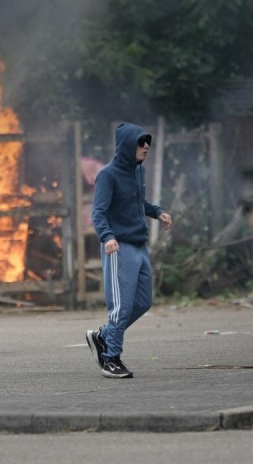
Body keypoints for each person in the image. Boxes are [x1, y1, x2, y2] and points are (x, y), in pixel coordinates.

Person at [86, 122, 172, 379]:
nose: (146, 146)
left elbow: (138, 202)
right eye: (141, 142)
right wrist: (107, 237)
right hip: (118, 248)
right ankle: (111, 359)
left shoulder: (138, 171)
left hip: (139, 246)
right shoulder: (107, 175)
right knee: (120, 307)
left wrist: (157, 212)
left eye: (148, 142)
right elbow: (98, 212)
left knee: (143, 303)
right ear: (126, 146)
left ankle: (103, 336)